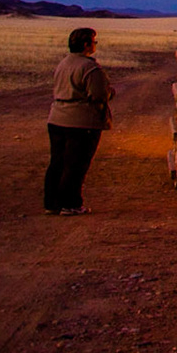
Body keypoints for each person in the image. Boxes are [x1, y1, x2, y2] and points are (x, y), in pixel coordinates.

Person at [46, 26, 114, 215]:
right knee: (76, 164)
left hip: (57, 118)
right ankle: (71, 204)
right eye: (94, 41)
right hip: (81, 122)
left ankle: (52, 203)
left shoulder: (63, 63)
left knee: (57, 162)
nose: (95, 45)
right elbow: (99, 94)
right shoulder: (90, 67)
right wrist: (110, 92)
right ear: (86, 44)